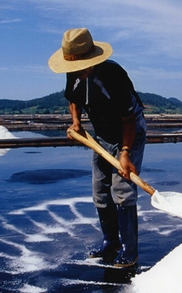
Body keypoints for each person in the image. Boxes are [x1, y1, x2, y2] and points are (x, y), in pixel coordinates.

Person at [48, 28, 147, 268]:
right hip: (101, 136)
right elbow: (73, 98)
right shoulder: (74, 72)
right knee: (100, 190)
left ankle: (129, 250)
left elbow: (129, 119)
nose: (75, 70)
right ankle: (111, 241)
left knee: (122, 189)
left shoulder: (113, 76)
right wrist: (76, 123)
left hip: (128, 133)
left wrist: (125, 153)